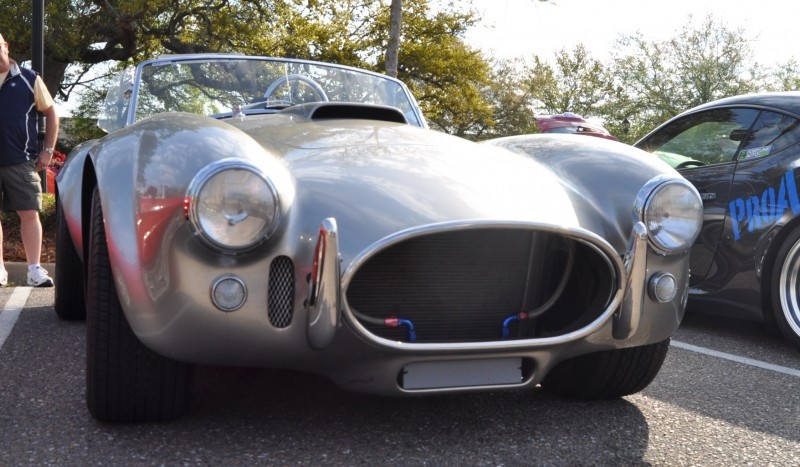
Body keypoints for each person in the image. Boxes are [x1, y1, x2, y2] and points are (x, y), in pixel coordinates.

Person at [0, 32, 58, 287]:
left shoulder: (28, 78)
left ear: (5, 46)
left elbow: (52, 113)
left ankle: (34, 270)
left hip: (21, 159)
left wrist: (47, 150)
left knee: (29, 212)